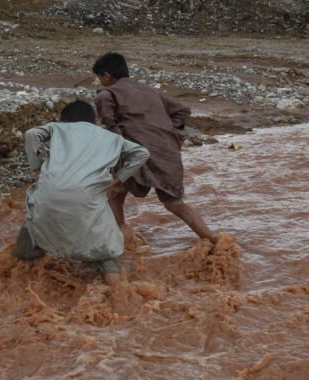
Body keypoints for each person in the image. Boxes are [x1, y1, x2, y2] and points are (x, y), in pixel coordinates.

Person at [11, 100, 150, 287]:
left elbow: (31, 134)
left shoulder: (57, 128)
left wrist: (37, 169)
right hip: (87, 195)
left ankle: (20, 279)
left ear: (64, 120)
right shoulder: (110, 137)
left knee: (34, 220)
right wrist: (118, 179)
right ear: (94, 121)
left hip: (49, 191)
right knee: (106, 248)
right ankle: (119, 295)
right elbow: (142, 153)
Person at [92, 52, 218, 243]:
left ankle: (122, 238)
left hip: (135, 154)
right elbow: (182, 112)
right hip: (167, 153)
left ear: (106, 76)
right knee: (175, 204)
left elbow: (112, 130)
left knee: (115, 193)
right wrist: (168, 132)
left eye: (100, 78)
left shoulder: (106, 94)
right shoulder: (150, 91)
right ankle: (213, 240)